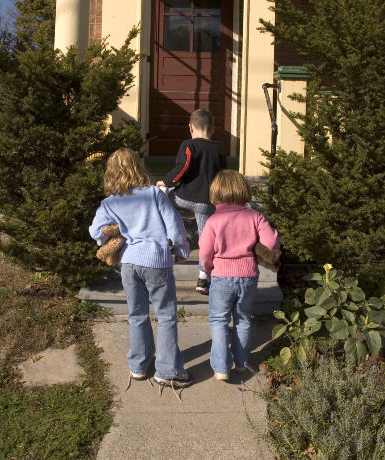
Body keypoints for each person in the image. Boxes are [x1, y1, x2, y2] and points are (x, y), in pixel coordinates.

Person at [89, 147, 193, 389]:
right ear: (138, 167)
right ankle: (167, 371)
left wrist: (115, 231)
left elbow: (96, 232)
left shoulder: (108, 203)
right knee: (166, 316)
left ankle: (138, 366)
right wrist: (181, 251)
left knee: (136, 315)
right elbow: (174, 226)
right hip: (156, 262)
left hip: (128, 263)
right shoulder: (154, 195)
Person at [199, 170, 280, 381]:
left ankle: (221, 367)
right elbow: (271, 244)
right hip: (248, 276)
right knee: (243, 319)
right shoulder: (255, 216)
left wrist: (207, 270)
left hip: (221, 277)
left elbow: (205, 251)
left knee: (219, 321)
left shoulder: (214, 221)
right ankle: (242, 363)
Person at [156, 109, 227, 296]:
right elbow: (223, 176)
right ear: (212, 129)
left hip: (184, 199)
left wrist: (167, 182)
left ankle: (168, 237)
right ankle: (204, 279)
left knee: (162, 194)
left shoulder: (188, 145)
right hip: (207, 203)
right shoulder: (218, 150)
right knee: (205, 239)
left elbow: (183, 167)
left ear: (190, 127)